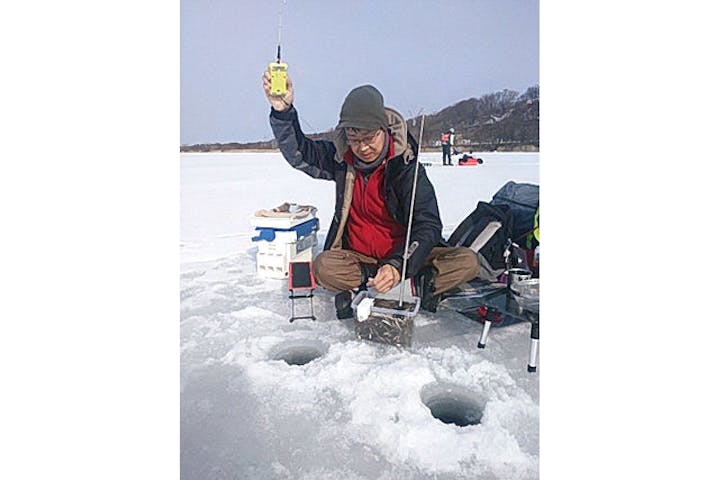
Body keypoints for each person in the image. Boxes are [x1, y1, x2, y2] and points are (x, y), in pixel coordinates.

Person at [262, 71, 480, 317]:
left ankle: (402, 282)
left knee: (468, 261)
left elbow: (428, 224)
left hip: (405, 256)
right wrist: (283, 113)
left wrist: (398, 265)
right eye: (354, 139)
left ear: (383, 130)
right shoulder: (342, 159)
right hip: (359, 260)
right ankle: (395, 285)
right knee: (323, 267)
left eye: (369, 138)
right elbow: (300, 153)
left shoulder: (406, 167)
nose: (362, 147)